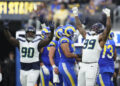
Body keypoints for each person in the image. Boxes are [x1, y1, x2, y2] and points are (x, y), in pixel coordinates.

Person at [3, 21, 54, 86]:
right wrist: (6, 29)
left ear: (35, 34)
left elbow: (49, 39)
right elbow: (9, 38)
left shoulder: (38, 42)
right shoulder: (20, 42)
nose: (30, 34)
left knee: (30, 84)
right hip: (23, 68)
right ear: (26, 33)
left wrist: (52, 30)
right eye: (29, 33)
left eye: (32, 33)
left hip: (34, 68)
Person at [72, 7, 112, 86]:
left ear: (100, 30)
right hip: (83, 65)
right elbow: (79, 26)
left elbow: (108, 29)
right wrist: (75, 14)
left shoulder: (100, 39)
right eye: (93, 27)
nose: (94, 28)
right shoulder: (87, 36)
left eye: (96, 28)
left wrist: (108, 16)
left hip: (92, 65)